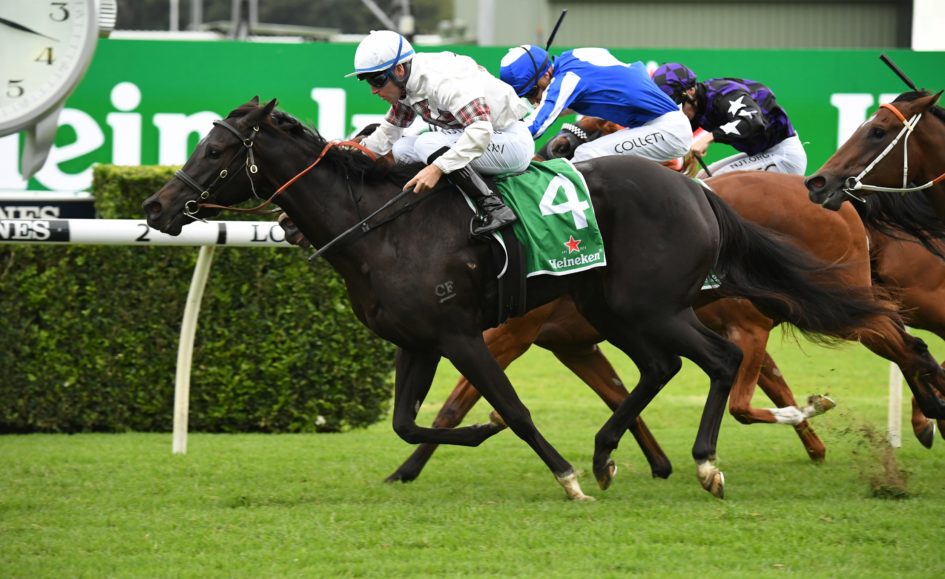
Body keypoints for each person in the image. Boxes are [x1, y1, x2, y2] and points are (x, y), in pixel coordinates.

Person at [348, 30, 535, 236]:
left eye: (377, 81)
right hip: (487, 140)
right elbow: (388, 133)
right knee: (401, 149)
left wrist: (437, 168)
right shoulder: (407, 84)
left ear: (399, 69)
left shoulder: (442, 80)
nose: (373, 90)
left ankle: (494, 207)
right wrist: (350, 152)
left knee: (426, 143)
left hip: (509, 141)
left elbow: (481, 130)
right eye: (368, 82)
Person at [498, 45, 692, 164]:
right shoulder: (575, 56)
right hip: (655, 126)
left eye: (532, 92)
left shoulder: (567, 79)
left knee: (587, 154)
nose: (533, 100)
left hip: (668, 131)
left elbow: (535, 127)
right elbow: (556, 106)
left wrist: (493, 141)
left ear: (547, 74)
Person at [651, 62, 807, 176]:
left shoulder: (724, 94)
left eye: (676, 103)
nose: (676, 112)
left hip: (784, 156)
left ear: (690, 91)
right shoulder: (696, 103)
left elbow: (753, 122)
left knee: (714, 185)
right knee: (701, 179)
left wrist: (709, 137)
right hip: (763, 153)